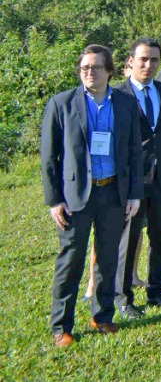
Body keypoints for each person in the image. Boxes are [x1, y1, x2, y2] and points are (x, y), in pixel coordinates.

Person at [42, 45, 142, 346]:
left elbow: (134, 152)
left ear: (109, 70)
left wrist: (134, 194)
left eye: (96, 67)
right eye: (84, 67)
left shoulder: (125, 103)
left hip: (113, 192)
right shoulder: (62, 103)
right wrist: (54, 200)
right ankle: (62, 326)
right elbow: (49, 156)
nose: (89, 72)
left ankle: (102, 316)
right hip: (75, 198)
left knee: (108, 259)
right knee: (70, 261)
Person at [114, 39, 161, 320]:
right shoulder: (117, 95)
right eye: (143, 59)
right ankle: (124, 299)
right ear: (131, 61)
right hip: (132, 180)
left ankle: (156, 292)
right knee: (128, 241)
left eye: (154, 60)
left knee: (160, 237)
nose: (148, 65)